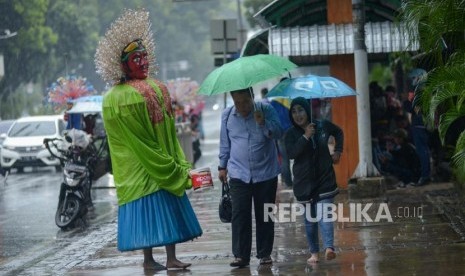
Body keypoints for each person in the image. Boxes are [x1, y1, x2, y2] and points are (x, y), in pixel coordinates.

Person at [95, 9, 202, 271]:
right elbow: (138, 139)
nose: (142, 62)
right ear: (123, 65)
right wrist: (168, 165)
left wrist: (176, 161)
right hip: (140, 167)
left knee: (165, 213)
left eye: (144, 57)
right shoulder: (119, 97)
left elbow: (168, 132)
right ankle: (149, 258)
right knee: (154, 214)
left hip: (159, 161)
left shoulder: (157, 87)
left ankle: (169, 258)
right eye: (135, 59)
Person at [218, 87, 283, 268]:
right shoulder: (228, 115)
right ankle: (240, 256)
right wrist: (222, 166)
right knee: (240, 215)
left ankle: (264, 254)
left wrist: (263, 124)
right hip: (239, 173)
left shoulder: (266, 110)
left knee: (265, 215)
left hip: (266, 173)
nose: (242, 106)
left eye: (245, 102)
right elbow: (225, 143)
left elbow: (279, 133)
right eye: (238, 102)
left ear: (252, 97)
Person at [284, 97, 343, 264]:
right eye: (294, 111)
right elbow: (291, 154)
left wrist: (338, 150)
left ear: (307, 110)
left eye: (301, 110)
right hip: (304, 184)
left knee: (325, 214)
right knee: (310, 222)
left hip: (325, 180)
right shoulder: (290, 134)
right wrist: (305, 137)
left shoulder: (322, 125)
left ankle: (329, 248)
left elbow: (338, 132)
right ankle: (314, 253)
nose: (298, 115)